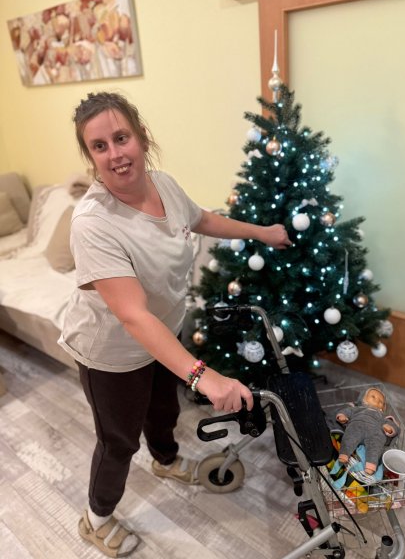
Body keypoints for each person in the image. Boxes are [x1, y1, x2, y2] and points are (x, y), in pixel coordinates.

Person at [58, 91, 292, 557]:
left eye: (121, 138)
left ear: (142, 138)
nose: (115, 154)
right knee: (118, 442)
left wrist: (261, 233)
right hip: (112, 354)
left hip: (163, 335)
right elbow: (132, 314)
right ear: (90, 157)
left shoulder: (163, 184)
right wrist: (204, 376)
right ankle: (96, 518)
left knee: (164, 412)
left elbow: (202, 219)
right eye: (100, 146)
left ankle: (165, 459)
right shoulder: (93, 223)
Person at [333, 387, 400, 475]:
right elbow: (347, 411)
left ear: (383, 408)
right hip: (357, 426)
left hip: (375, 432)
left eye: (381, 402)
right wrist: (342, 416)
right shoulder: (358, 409)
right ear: (364, 399)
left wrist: (389, 428)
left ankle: (371, 464)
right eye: (373, 397)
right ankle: (344, 454)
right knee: (350, 435)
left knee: (376, 444)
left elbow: (392, 424)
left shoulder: (382, 416)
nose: (377, 400)